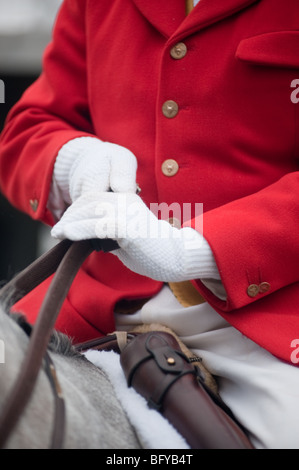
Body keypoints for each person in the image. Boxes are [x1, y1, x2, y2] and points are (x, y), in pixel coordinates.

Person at [0, 0, 299, 449]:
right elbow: (33, 123)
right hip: (88, 300)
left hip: (267, 313)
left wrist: (195, 249)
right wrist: (73, 159)